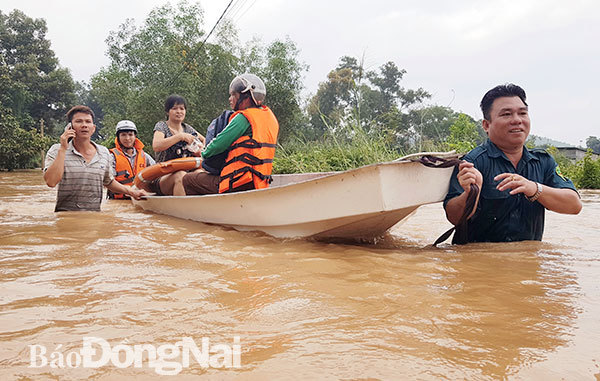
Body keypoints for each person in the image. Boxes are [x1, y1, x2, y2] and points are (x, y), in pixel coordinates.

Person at [443, 84, 582, 243]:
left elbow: (574, 205)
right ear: (487, 125)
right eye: (507, 114)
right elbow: (454, 218)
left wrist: (534, 188)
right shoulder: (472, 163)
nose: (517, 120)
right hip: (479, 262)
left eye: (522, 113)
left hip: (527, 263)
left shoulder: (543, 161)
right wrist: (471, 193)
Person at [182, 73, 279, 195]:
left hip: (239, 182)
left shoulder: (244, 117)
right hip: (259, 181)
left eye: (234, 95)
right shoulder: (270, 118)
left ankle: (201, 213)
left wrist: (204, 153)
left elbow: (219, 144)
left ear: (246, 97)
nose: (230, 99)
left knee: (188, 179)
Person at [43, 105, 147, 212]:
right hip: (66, 217)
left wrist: (132, 192)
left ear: (93, 128)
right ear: (70, 127)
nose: (84, 125)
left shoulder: (103, 152)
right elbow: (51, 182)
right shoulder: (57, 150)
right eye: (79, 121)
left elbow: (109, 182)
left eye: (88, 122)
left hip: (95, 217)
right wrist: (63, 149)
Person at [151, 94, 205, 196]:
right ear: (168, 111)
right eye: (174, 108)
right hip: (164, 176)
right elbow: (156, 146)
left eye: (182, 108)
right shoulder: (161, 126)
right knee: (181, 175)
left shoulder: (188, 128)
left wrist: (201, 150)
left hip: (187, 172)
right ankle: (181, 210)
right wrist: (180, 137)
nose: (179, 111)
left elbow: (205, 140)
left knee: (200, 173)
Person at [108, 120, 155, 199]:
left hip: (140, 197)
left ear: (135, 136)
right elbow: (109, 181)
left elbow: (156, 172)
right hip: (120, 199)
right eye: (123, 135)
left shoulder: (145, 156)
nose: (127, 138)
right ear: (118, 137)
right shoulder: (112, 157)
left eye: (130, 135)